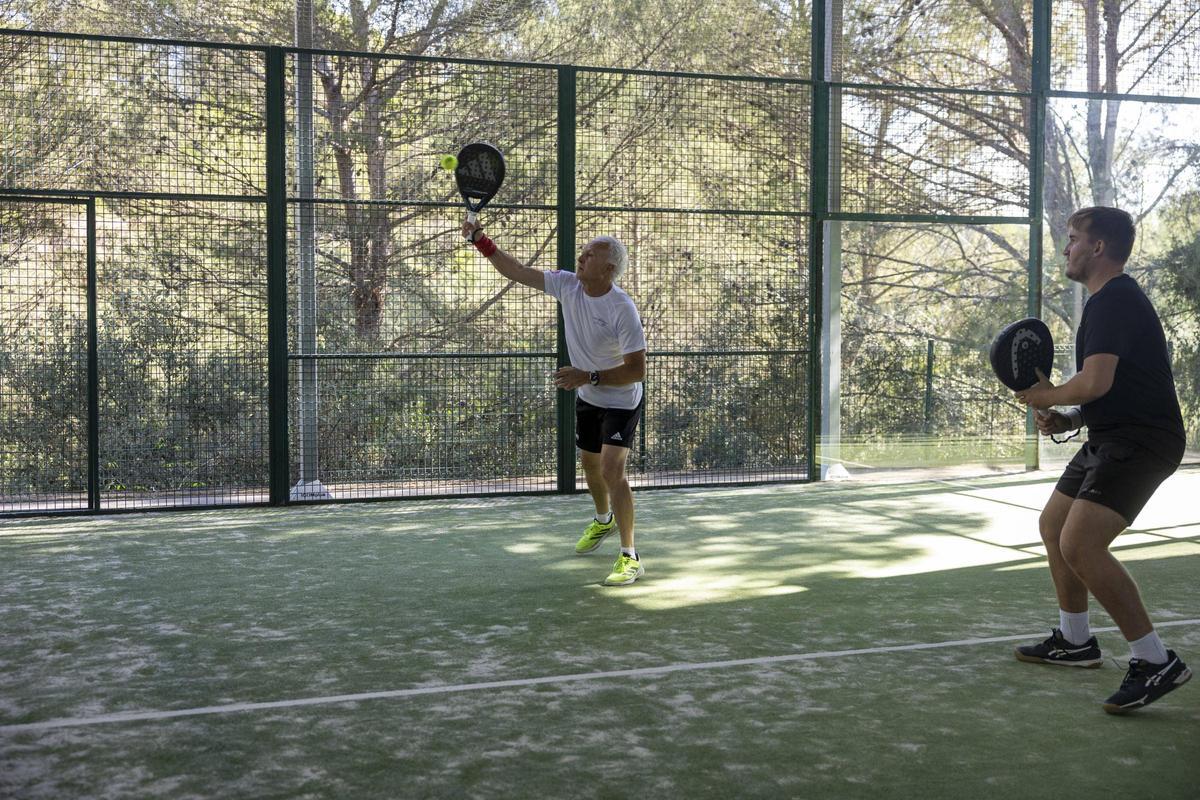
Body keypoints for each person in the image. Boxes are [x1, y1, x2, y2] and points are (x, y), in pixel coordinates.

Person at [1014, 206, 1191, 714]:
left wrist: (1045, 397)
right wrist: (1068, 417)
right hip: (1112, 435)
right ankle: (1075, 641)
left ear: (1097, 247)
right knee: (1054, 526)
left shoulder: (1115, 300)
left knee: (1081, 543)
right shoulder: (1106, 302)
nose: (1065, 247)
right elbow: (1109, 389)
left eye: (1073, 238)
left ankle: (1155, 661)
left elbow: (1094, 382)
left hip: (1142, 440)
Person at [462, 218, 647, 586]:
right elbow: (516, 271)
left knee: (612, 471)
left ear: (608, 268)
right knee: (590, 467)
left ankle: (630, 556)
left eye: (590, 255)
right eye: (583, 251)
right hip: (589, 396)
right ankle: (603, 521)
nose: (581, 257)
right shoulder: (567, 285)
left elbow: (637, 370)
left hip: (621, 400)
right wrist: (480, 240)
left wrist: (587, 375)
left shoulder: (621, 308)